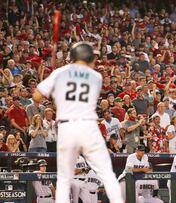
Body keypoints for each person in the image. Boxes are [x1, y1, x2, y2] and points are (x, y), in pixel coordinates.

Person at [32, 42, 122, 203]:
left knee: (64, 178)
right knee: (107, 173)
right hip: (88, 127)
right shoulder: (96, 76)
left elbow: (36, 97)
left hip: (68, 127)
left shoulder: (61, 72)